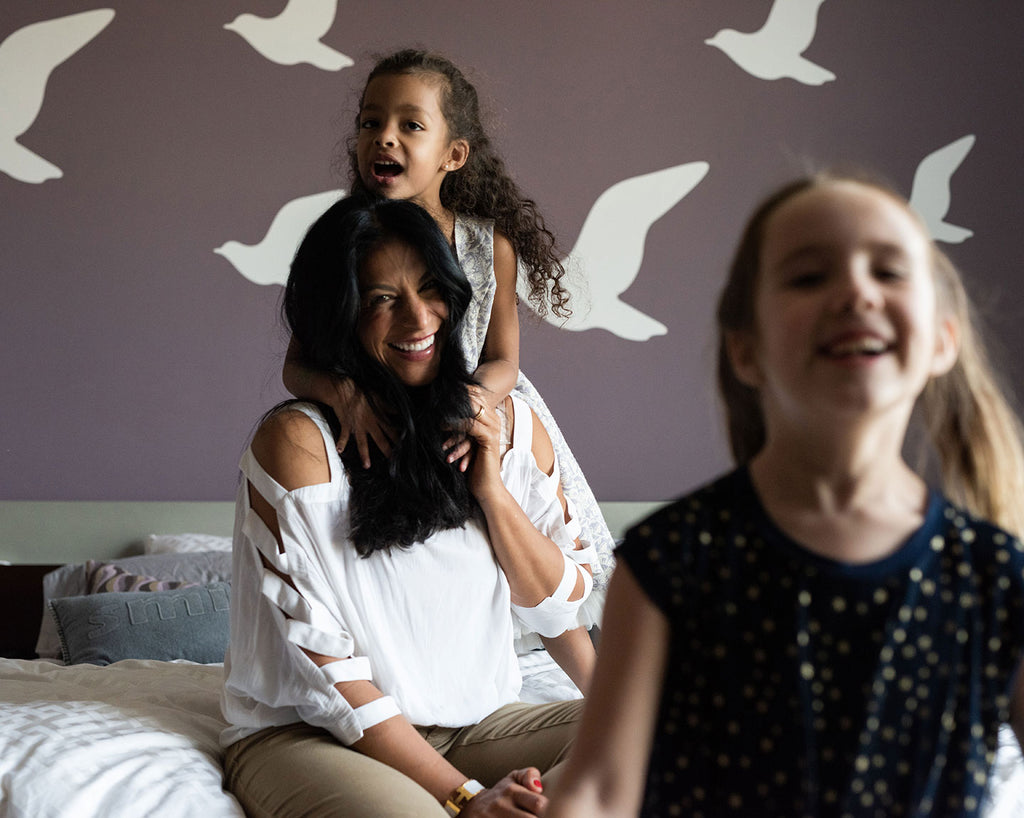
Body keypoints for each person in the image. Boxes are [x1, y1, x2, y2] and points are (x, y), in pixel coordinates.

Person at [545, 172, 1024, 817]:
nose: (856, 291)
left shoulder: (992, 574)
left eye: (888, 272)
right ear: (747, 351)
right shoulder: (673, 560)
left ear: (942, 339)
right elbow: (600, 793)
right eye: (808, 277)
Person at [221, 195, 597, 818]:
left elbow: (560, 604)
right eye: (382, 299)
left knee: (650, 737)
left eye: (430, 289)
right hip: (314, 735)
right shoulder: (299, 444)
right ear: (340, 314)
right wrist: (466, 797)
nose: (419, 318)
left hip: (475, 727)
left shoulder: (505, 423)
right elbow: (328, 674)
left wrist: (491, 492)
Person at [283, 49, 615, 619]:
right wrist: (346, 396)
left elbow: (504, 359)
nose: (384, 137)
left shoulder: (488, 246)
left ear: (453, 155)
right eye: (370, 122)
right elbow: (297, 365)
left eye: (410, 125)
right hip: (384, 429)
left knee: (539, 560)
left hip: (466, 417)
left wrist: (475, 400)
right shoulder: (343, 245)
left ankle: (577, 647)